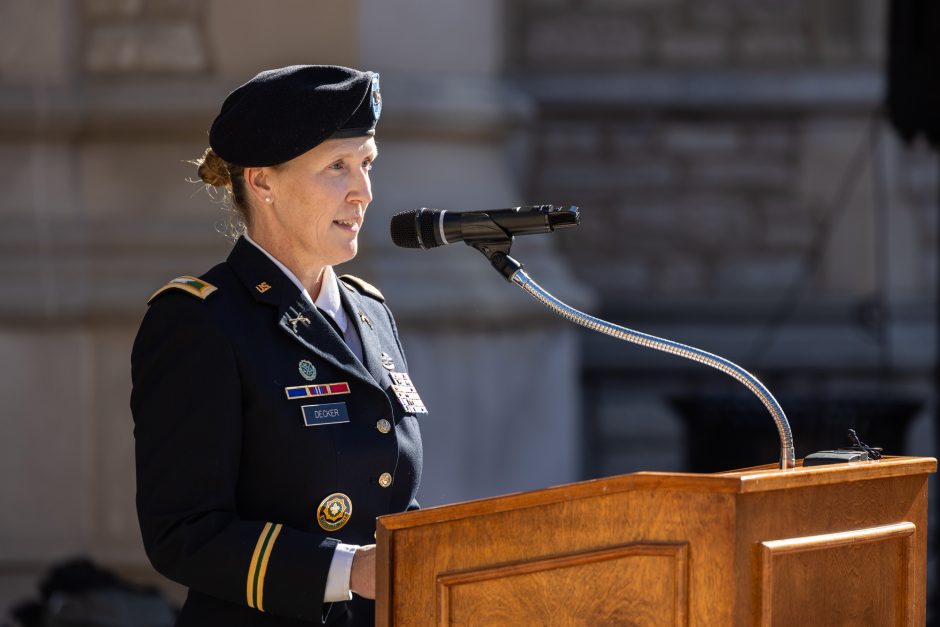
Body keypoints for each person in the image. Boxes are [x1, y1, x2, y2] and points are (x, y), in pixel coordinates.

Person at [130, 65, 426, 626]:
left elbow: (387, 501)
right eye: (336, 166)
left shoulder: (369, 312)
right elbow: (183, 532)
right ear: (262, 181)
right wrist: (347, 571)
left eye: (366, 164)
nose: (363, 192)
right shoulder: (200, 321)